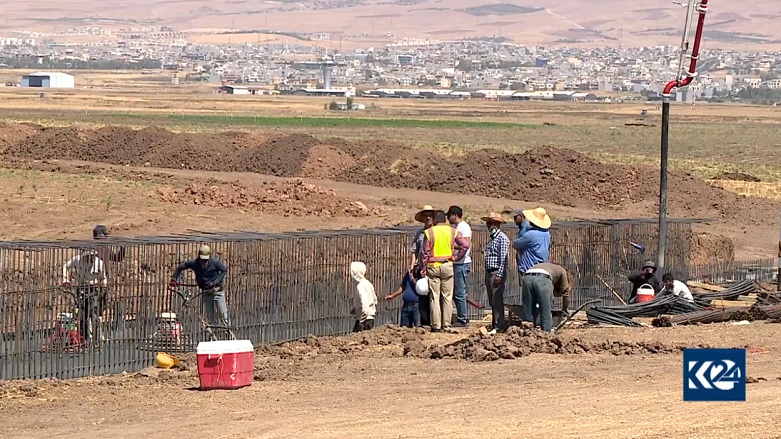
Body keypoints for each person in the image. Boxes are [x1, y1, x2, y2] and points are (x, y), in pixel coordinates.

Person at [420, 210, 469, 332]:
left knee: (434, 297)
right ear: (445, 220)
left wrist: (423, 268)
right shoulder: (452, 231)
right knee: (447, 297)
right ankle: (446, 325)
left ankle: (436, 325)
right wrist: (457, 257)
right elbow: (465, 245)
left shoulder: (429, 232)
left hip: (433, 266)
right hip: (447, 265)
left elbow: (424, 253)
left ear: (435, 220)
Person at [170, 245, 230, 329]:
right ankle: (215, 333)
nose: (204, 261)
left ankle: (228, 331)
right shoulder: (194, 263)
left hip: (217, 291)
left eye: (205, 259)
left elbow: (224, 270)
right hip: (206, 292)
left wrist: (215, 281)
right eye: (202, 259)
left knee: (223, 315)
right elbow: (181, 267)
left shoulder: (215, 262)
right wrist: (174, 278)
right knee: (210, 316)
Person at [61, 249, 108, 345]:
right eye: (87, 257)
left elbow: (104, 278)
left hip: (93, 290)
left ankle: (97, 338)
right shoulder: (77, 260)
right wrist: (65, 278)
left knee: (94, 314)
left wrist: (103, 286)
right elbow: (65, 266)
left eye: (91, 257)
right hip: (81, 289)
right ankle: (86, 339)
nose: (89, 259)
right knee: (83, 315)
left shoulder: (99, 263)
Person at [514, 207, 552, 321]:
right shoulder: (547, 234)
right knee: (541, 299)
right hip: (543, 269)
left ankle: (529, 322)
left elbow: (516, 244)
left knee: (528, 300)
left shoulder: (529, 235)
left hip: (528, 270)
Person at [92, 225, 126, 331]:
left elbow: (117, 258)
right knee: (93, 305)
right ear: (99, 236)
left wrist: (122, 249)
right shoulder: (91, 249)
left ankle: (97, 325)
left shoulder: (105, 249)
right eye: (104, 235)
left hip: (104, 282)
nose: (106, 237)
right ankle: (93, 326)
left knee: (103, 303)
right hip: (92, 282)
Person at [522, 262, 572, 332]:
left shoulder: (549, 266)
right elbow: (566, 293)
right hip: (543, 278)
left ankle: (528, 332)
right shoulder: (562, 271)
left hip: (527, 277)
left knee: (529, 310)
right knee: (545, 312)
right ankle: (546, 333)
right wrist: (565, 309)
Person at [481, 212, 510, 335]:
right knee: (492, 300)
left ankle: (499, 325)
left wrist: (499, 274)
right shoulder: (493, 239)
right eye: (487, 223)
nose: (488, 225)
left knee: (497, 299)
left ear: (497, 224)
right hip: (489, 272)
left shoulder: (502, 238)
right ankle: (494, 324)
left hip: (496, 272)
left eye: (490, 223)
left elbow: (503, 258)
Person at [447, 206, 472, 326]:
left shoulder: (463, 227)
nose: (448, 218)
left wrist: (450, 245)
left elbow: (466, 244)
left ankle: (462, 318)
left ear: (455, 215)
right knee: (457, 291)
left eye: (449, 216)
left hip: (461, 263)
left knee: (459, 292)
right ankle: (461, 316)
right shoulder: (458, 227)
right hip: (458, 262)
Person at [410, 205, 435, 326]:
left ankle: (435, 321)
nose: (428, 218)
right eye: (426, 216)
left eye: (430, 215)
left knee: (434, 296)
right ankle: (425, 322)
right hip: (421, 268)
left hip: (434, 267)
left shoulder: (436, 232)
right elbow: (414, 250)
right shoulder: (420, 233)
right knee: (422, 295)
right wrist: (412, 265)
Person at [350, 261, 378, 332]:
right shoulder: (368, 283)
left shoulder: (360, 286)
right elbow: (375, 300)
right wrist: (356, 309)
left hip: (364, 320)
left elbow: (365, 305)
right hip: (370, 318)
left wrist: (361, 320)